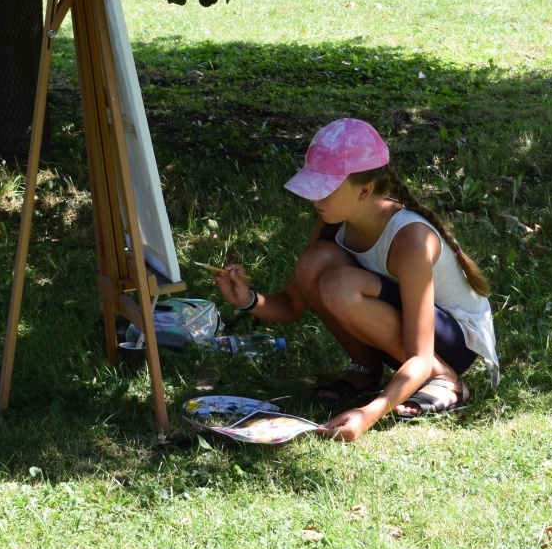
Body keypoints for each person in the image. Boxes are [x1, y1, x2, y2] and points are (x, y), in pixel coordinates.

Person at [212, 118, 499, 442]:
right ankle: (365, 369)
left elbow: (420, 355)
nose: (314, 199)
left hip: (451, 343)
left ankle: (446, 380)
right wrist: (247, 300)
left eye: (326, 190)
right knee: (314, 263)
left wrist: (369, 413)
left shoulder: (411, 240)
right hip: (407, 337)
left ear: (364, 191)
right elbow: (293, 304)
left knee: (341, 285)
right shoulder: (332, 223)